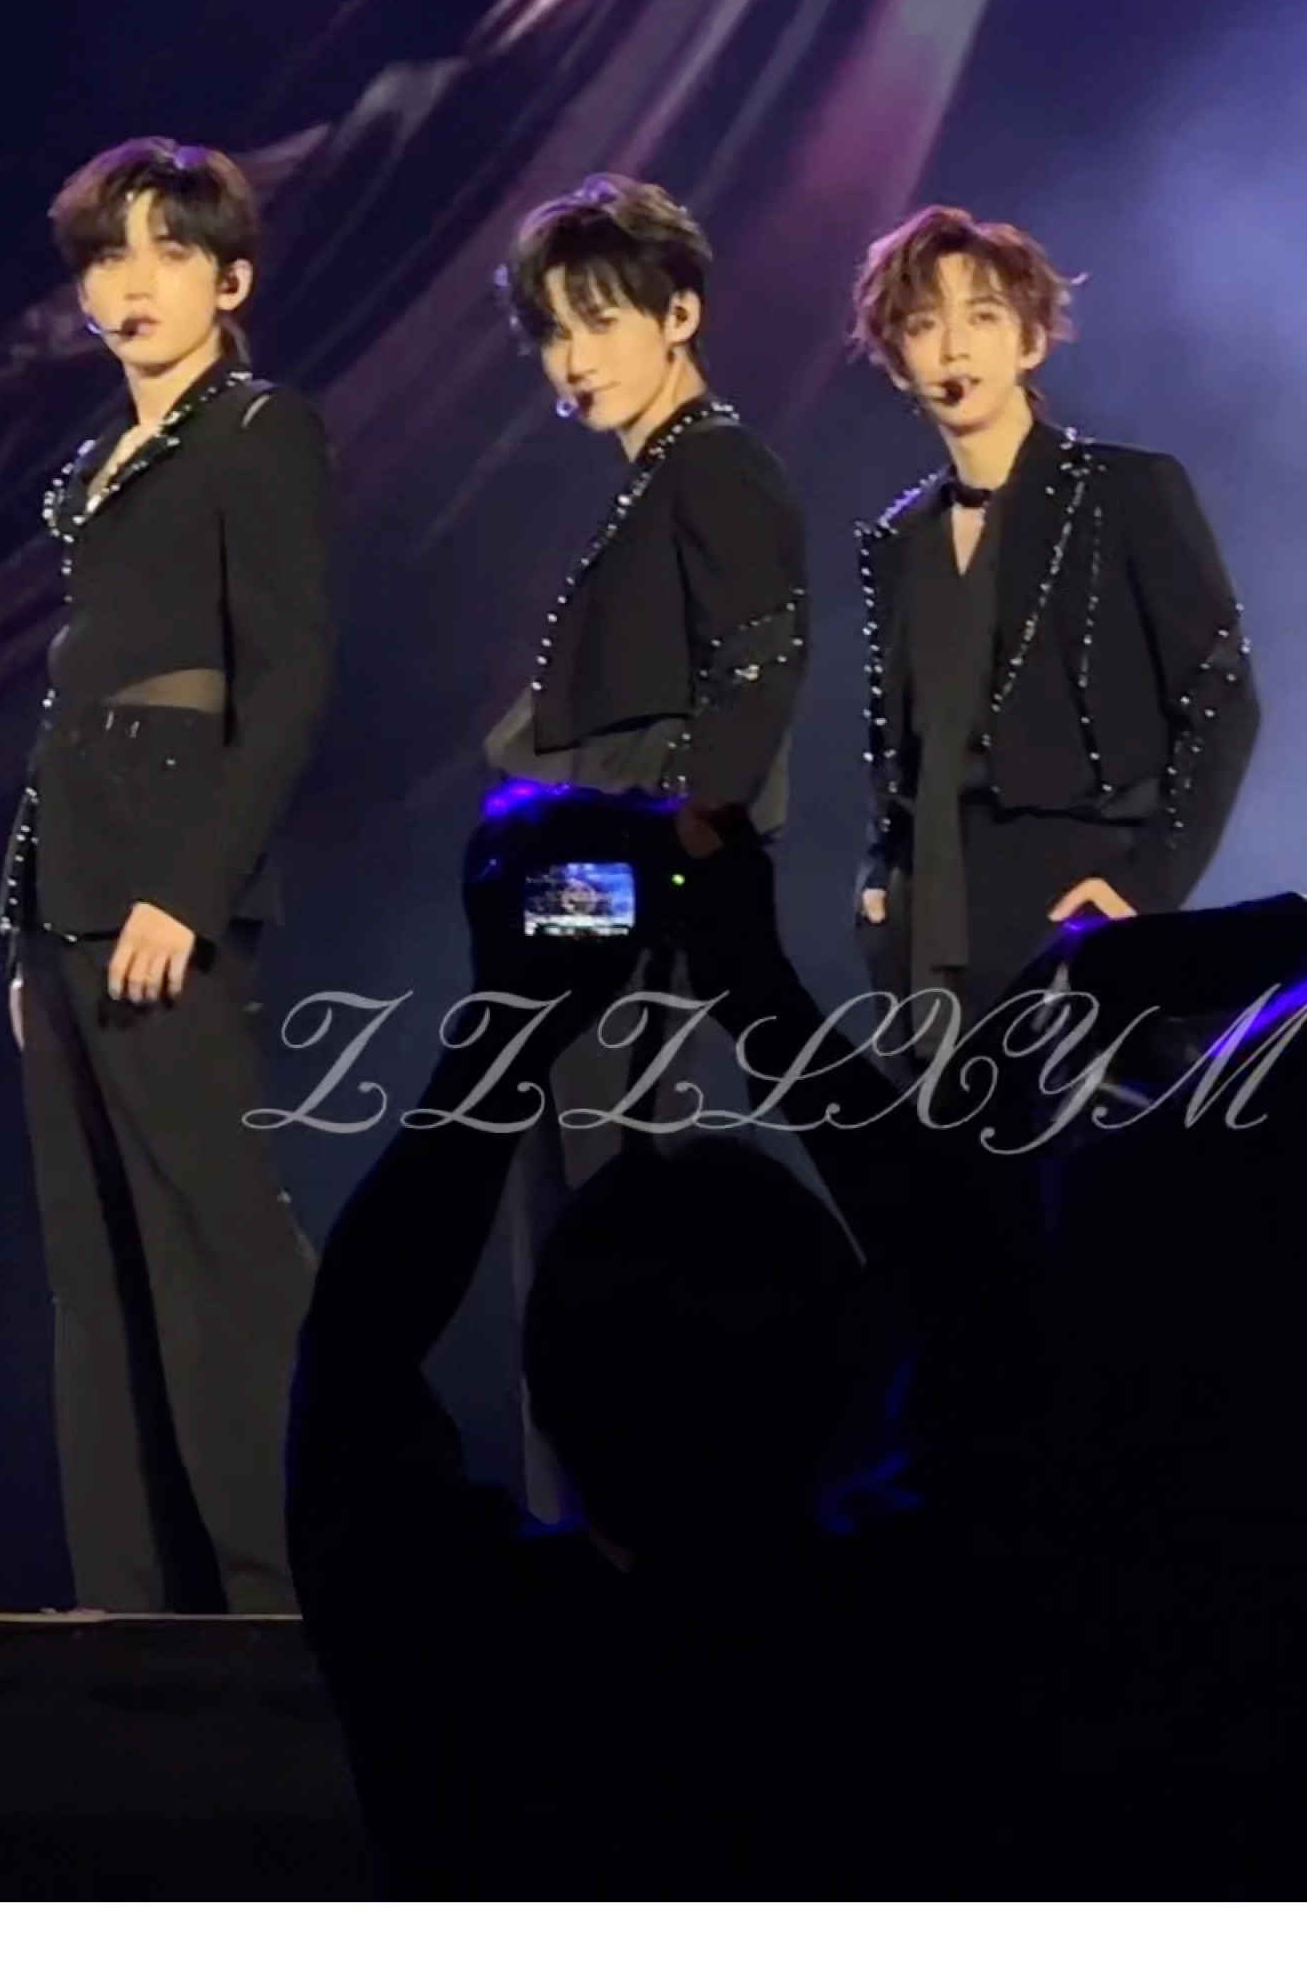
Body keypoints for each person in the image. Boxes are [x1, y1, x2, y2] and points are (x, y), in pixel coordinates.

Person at [286, 786, 987, 1895]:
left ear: (544, 1384)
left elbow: (353, 1352)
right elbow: (973, 1284)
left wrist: (505, 1029)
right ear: (852, 1370)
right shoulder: (926, 1624)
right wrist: (758, 989)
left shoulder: (457, 1646)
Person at [0, 139, 330, 1613]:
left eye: (168, 252)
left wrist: (187, 891)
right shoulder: (92, 461)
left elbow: (288, 678)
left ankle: (286, 1578)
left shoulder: (258, 430)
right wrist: (23, 929)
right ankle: (131, 1594)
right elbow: (71, 696)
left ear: (230, 280)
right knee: (95, 1254)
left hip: (163, 882)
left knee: (215, 1241)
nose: (133, 283)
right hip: (67, 883)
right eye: (108, 255)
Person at [483, 175, 808, 1508]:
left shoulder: (714, 463)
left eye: (600, 321)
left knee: (610, 1191)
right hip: (597, 853)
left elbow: (762, 656)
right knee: (565, 1178)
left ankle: (630, 1527)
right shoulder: (656, 480)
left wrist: (687, 836)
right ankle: (589, 1522)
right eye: (554, 333)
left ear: (679, 314)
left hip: (635, 861)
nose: (573, 359)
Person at [845, 205, 1258, 1031]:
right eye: (923, 325)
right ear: (897, 363)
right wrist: (880, 879)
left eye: (981, 317)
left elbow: (1221, 702)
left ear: (1030, 341)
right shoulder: (899, 539)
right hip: (930, 932)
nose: (953, 349)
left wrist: (1148, 884)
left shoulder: (1126, 494)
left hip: (1079, 904)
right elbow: (902, 744)